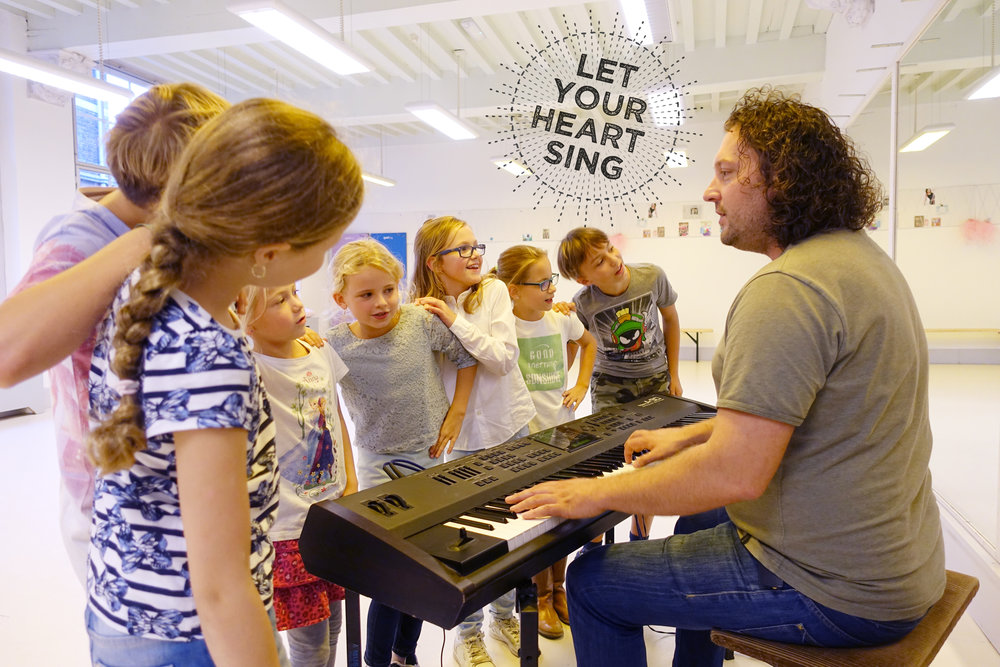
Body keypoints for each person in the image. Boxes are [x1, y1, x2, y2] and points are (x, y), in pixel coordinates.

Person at [507, 86, 946, 667]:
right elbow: (796, 417)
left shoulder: (787, 290)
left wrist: (594, 492)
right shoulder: (858, 257)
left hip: (837, 588)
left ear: (781, 180)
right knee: (697, 519)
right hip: (898, 558)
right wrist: (688, 435)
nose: (709, 192)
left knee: (593, 579)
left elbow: (735, 473)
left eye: (727, 172)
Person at [85, 98, 364, 667]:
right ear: (269, 253)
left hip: (125, 606)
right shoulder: (209, 354)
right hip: (187, 634)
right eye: (327, 242)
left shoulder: (152, 293)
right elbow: (218, 586)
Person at [0, 83, 229, 585]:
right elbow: (7, 352)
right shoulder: (79, 239)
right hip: (113, 508)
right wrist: (147, 237)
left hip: (167, 494)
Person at [327, 238, 477, 667]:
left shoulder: (419, 322)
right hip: (376, 465)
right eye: (366, 294)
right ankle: (378, 662)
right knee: (392, 577)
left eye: (389, 290)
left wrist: (457, 413)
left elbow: (465, 358)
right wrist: (349, 473)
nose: (382, 302)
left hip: (430, 456)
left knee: (425, 568)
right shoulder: (334, 344)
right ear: (342, 299)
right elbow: (328, 402)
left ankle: (405, 655)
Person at [411, 216, 536, 667]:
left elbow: (502, 360)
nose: (474, 255)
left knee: (513, 529)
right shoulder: (418, 310)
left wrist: (455, 320)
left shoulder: (494, 292)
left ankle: (503, 616)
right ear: (434, 262)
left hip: (509, 426)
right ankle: (466, 632)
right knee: (464, 540)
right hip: (459, 441)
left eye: (475, 245)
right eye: (461, 250)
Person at [241, 284, 359, 667]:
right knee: (311, 646)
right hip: (289, 529)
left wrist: (351, 483)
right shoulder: (249, 366)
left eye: (294, 292)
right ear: (246, 319)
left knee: (334, 627)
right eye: (279, 300)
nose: (297, 304)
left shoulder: (320, 350)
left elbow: (337, 418)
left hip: (332, 512)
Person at [492, 244, 597, 640]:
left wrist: (581, 383)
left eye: (552, 279)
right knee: (539, 521)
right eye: (541, 283)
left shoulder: (559, 320)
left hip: (562, 432)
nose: (552, 288)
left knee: (564, 516)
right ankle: (538, 596)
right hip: (524, 439)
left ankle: (558, 589)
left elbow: (588, 343)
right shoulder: (505, 329)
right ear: (512, 290)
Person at [557, 226, 682, 545]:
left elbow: (671, 320)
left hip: (654, 380)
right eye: (599, 261)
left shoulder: (651, 276)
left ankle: (639, 539)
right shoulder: (583, 302)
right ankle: (594, 543)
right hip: (610, 386)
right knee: (606, 463)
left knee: (648, 463)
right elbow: (577, 342)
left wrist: (675, 374)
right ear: (584, 279)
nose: (613, 260)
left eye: (610, 249)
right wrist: (559, 316)